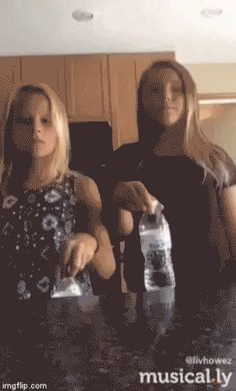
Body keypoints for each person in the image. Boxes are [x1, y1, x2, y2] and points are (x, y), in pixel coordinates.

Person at [108, 60, 236, 308]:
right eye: (154, 90)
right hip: (149, 296)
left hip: (215, 294)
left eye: (176, 89)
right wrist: (119, 198)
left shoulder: (216, 159)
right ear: (141, 99)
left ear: (190, 96)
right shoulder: (126, 159)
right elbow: (122, 231)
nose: (166, 97)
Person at [0, 82, 115, 327]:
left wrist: (90, 243)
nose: (36, 129)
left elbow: (108, 267)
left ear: (60, 127)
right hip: (10, 324)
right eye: (24, 121)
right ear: (10, 128)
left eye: (46, 121)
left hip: (70, 322)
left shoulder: (81, 187)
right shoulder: (2, 188)